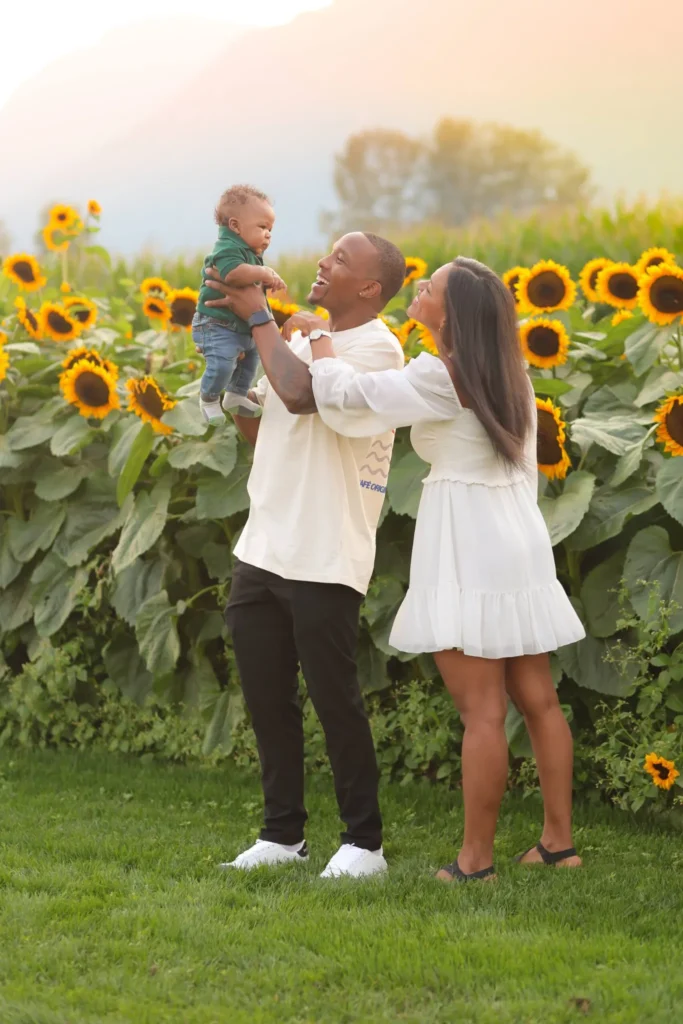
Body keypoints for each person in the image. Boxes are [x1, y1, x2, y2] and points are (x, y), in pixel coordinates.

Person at [307, 256, 585, 881]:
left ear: (450, 314)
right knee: (538, 698)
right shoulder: (510, 374)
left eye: (429, 287)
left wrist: (318, 338)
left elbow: (350, 400)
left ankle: (474, 862)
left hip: (466, 539)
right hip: (517, 536)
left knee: (481, 712)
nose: (419, 288)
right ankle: (558, 844)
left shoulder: (442, 374)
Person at [202, 232, 406, 878]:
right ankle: (281, 834)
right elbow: (264, 421)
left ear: (370, 288)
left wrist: (259, 314)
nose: (322, 264)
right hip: (265, 543)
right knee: (267, 696)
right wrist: (231, 363)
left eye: (341, 260)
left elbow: (302, 395)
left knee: (332, 697)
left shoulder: (377, 347)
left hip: (325, 547)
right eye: (327, 255)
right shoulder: (294, 340)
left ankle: (364, 843)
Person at [193, 184, 286, 424]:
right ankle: (209, 398)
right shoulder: (227, 249)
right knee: (222, 363)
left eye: (271, 229)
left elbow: (253, 278)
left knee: (252, 360)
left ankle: (235, 395)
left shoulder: (249, 252)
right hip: (216, 324)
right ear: (235, 226)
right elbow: (233, 274)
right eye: (263, 227)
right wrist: (263, 272)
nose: (268, 234)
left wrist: (269, 276)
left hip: (238, 324)